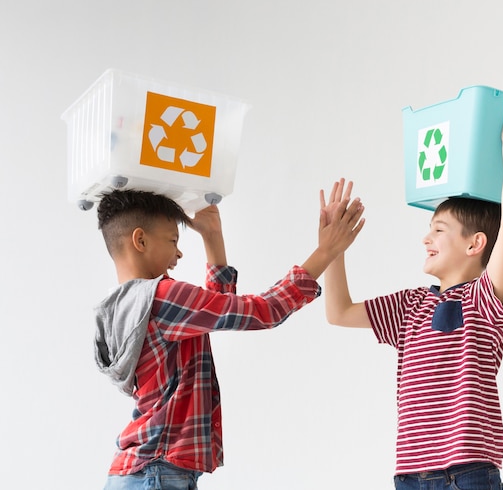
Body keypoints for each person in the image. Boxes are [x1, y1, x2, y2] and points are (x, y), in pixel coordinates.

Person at [321, 114, 503, 490]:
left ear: (475, 245)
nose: (426, 239)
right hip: (410, 475)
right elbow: (339, 312)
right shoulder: (409, 306)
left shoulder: (484, 297)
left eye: (438, 230)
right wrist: (332, 250)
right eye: (428, 229)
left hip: (468, 472)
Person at [94, 186, 364, 489]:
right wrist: (326, 251)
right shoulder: (162, 297)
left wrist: (212, 237)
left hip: (141, 472)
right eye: (173, 240)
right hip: (156, 473)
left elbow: (215, 315)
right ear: (140, 240)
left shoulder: (123, 306)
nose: (179, 253)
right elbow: (263, 311)